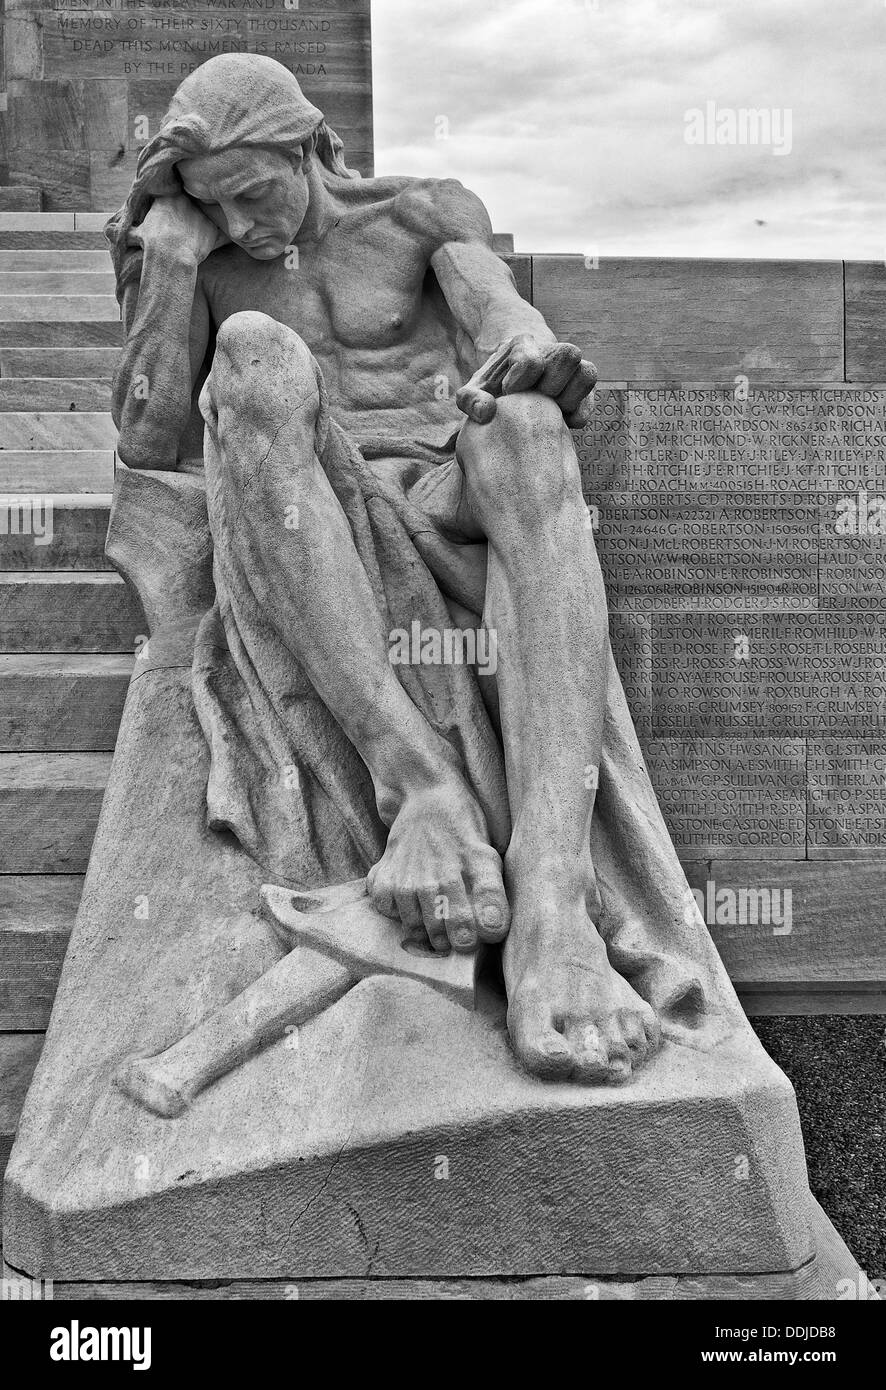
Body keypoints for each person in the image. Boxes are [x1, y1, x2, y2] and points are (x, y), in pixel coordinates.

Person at [107, 54, 721, 1084]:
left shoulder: (422, 214)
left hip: (442, 483)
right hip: (313, 511)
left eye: (256, 191)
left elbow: (496, 312)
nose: (247, 225)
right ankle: (418, 782)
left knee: (525, 429)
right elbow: (152, 439)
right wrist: (167, 271)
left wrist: (531, 351)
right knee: (255, 346)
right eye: (217, 206)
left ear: (308, 145)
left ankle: (552, 896)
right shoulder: (212, 267)